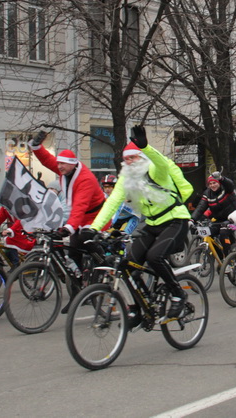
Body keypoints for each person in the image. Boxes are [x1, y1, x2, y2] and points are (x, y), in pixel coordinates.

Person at [86, 126, 193, 320]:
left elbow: (161, 164)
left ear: (142, 158)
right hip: (152, 224)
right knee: (129, 265)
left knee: (154, 256)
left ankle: (178, 294)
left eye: (133, 157)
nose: (129, 162)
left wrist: (146, 147)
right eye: (126, 159)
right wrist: (93, 228)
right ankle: (138, 306)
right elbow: (112, 203)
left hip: (175, 220)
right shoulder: (126, 179)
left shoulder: (155, 171)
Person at [29, 131, 106, 270]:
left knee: (86, 240)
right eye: (58, 164)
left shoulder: (85, 179)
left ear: (72, 164)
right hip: (79, 218)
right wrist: (36, 146)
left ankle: (105, 265)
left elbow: (80, 205)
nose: (59, 167)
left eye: (62, 164)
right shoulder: (66, 169)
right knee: (73, 252)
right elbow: (47, 160)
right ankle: (81, 281)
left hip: (95, 217)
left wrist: (68, 228)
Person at [191, 171, 236, 253]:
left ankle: (229, 259)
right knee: (207, 233)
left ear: (219, 183)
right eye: (210, 184)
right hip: (220, 220)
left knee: (223, 233)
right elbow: (200, 207)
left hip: (234, 217)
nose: (212, 185)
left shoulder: (226, 188)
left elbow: (230, 185)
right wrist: (192, 220)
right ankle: (221, 258)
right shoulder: (207, 193)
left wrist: (221, 178)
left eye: (214, 183)